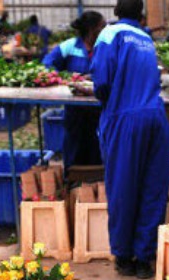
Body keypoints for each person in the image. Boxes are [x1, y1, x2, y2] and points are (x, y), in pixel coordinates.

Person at [92, 0, 169, 279]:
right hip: (155, 118)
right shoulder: (146, 39)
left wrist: (110, 104)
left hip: (125, 119)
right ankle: (144, 260)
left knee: (124, 189)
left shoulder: (109, 34)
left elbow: (101, 82)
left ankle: (124, 257)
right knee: (153, 189)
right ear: (141, 13)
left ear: (116, 11)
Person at [43, 11, 106, 168]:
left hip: (99, 109)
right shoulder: (70, 46)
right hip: (75, 110)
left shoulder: (104, 48)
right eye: (102, 26)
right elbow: (47, 65)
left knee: (97, 147)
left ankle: (94, 185)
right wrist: (68, 79)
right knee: (74, 145)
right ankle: (72, 181)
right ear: (92, 29)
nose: (106, 30)